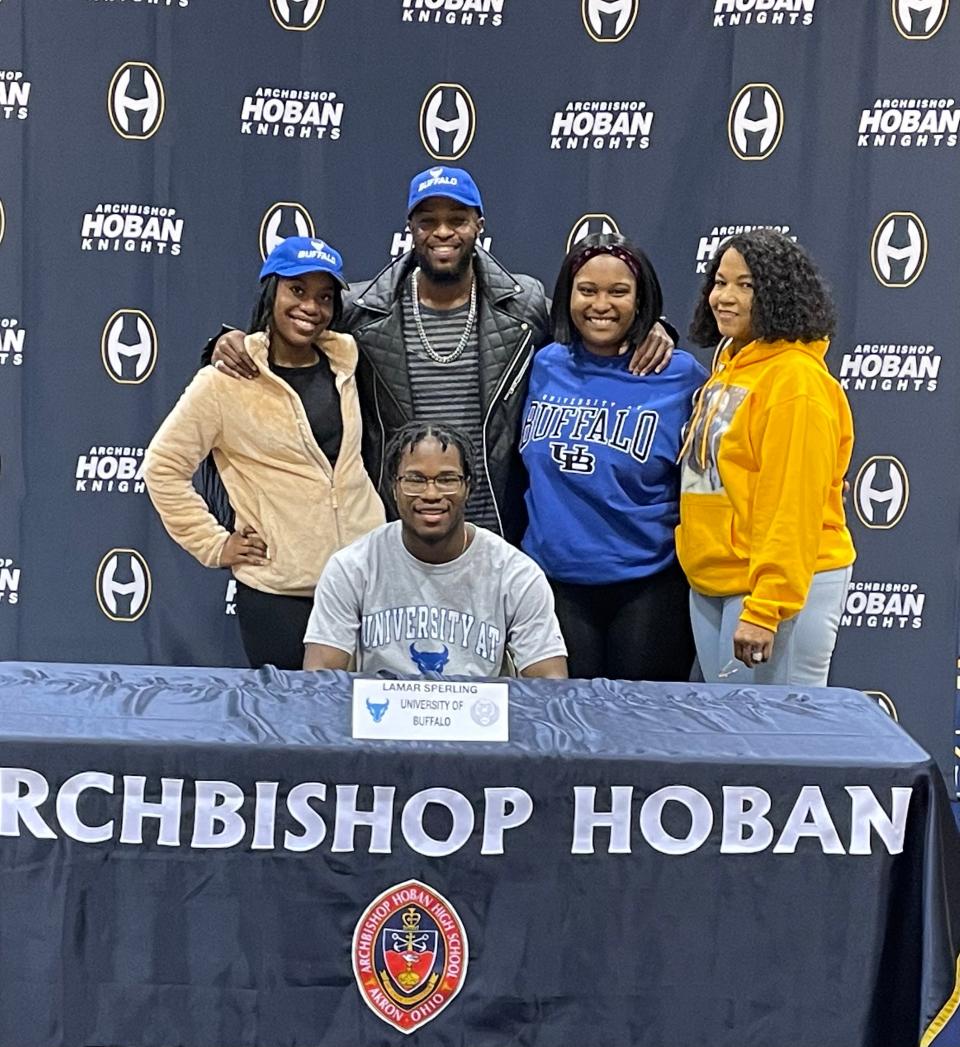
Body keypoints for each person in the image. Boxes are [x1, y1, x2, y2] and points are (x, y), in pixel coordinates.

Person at [209, 166, 674, 544]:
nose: (443, 232)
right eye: (428, 221)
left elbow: (594, 323)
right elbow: (293, 325)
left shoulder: (524, 304)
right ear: (411, 229)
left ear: (479, 226)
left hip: (499, 537)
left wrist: (655, 325)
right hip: (399, 532)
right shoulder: (364, 309)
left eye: (458, 219)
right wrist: (226, 342)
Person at [144, 237, 384, 670]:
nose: (311, 307)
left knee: (365, 729)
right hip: (279, 597)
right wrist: (215, 545)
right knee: (292, 731)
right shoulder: (225, 381)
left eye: (324, 297)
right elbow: (162, 468)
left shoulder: (347, 362)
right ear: (270, 291)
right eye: (297, 290)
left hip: (363, 586)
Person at [519, 234, 706, 680]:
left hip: (648, 587)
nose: (601, 304)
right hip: (553, 585)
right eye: (587, 290)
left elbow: (729, 465)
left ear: (642, 300)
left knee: (642, 738)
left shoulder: (680, 376)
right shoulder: (543, 363)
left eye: (618, 292)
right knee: (561, 734)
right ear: (567, 296)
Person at [676, 229, 855, 685]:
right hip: (715, 581)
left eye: (746, 285)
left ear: (778, 294)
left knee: (779, 748)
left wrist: (766, 607)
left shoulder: (796, 382)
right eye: (719, 282)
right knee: (733, 745)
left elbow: (791, 505)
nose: (725, 297)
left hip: (770, 591)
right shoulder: (730, 368)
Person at [303, 422, 568, 678]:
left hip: (478, 719)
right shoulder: (351, 567)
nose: (431, 494)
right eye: (415, 480)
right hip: (383, 719)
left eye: (447, 479)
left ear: (468, 487)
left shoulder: (516, 574)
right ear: (393, 488)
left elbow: (549, 682)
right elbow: (319, 677)